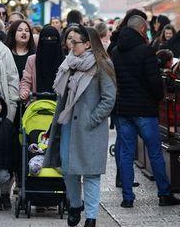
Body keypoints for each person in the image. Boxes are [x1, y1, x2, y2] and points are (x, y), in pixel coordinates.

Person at [43, 26, 116, 227]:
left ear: (88, 44)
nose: (71, 45)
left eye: (75, 42)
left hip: (91, 128)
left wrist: (92, 120)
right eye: (70, 41)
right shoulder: (69, 63)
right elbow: (62, 96)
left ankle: (91, 217)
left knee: (91, 173)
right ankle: (75, 204)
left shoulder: (103, 65)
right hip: (68, 125)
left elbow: (109, 99)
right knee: (68, 169)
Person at [110, 16, 179, 209]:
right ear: (141, 29)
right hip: (144, 110)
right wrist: (156, 99)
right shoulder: (146, 50)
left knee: (125, 153)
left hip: (123, 109)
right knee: (155, 152)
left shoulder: (116, 51)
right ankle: (164, 193)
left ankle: (127, 197)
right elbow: (155, 82)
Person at [20, 25, 63, 99]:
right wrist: (24, 92)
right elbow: (26, 81)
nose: (49, 41)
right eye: (46, 38)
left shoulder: (65, 61)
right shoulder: (32, 60)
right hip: (37, 105)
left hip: (60, 104)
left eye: (53, 38)